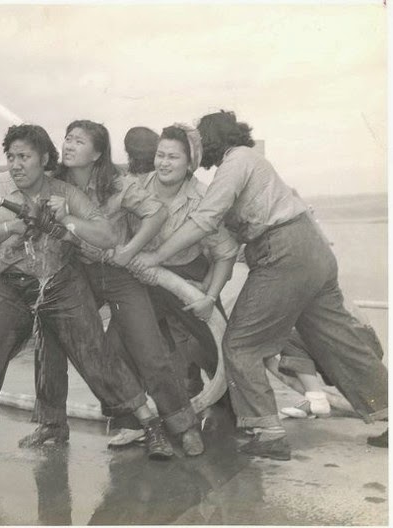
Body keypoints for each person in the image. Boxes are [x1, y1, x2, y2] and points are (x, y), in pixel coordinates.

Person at [131, 110, 388, 461]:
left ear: (212, 141)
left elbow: (205, 219)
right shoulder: (252, 161)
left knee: (240, 343)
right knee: (337, 338)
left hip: (282, 252)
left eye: (197, 144)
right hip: (312, 250)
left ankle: (268, 432)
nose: (195, 151)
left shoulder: (235, 163)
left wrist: (157, 255)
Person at [0, 124, 173, 462]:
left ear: (45, 159)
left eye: (24, 157)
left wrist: (66, 220)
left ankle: (151, 426)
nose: (16, 165)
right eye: (11, 157)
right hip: (15, 287)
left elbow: (106, 236)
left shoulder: (65, 193)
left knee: (97, 356)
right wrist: (12, 226)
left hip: (61, 284)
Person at [23, 119, 203, 457]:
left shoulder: (119, 184)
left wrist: (130, 251)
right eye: (67, 139)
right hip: (76, 272)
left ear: (98, 153)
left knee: (148, 348)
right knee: (49, 336)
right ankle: (54, 422)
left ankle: (184, 426)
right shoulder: (55, 184)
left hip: (118, 274)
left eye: (78, 141)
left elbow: (157, 213)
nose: (68, 145)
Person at [109, 124, 239, 447]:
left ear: (190, 162)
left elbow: (226, 253)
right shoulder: (135, 186)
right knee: (117, 342)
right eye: (160, 155)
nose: (164, 163)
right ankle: (132, 421)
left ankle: (237, 412)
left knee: (220, 350)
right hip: (143, 277)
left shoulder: (204, 198)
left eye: (173, 157)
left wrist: (210, 296)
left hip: (189, 276)